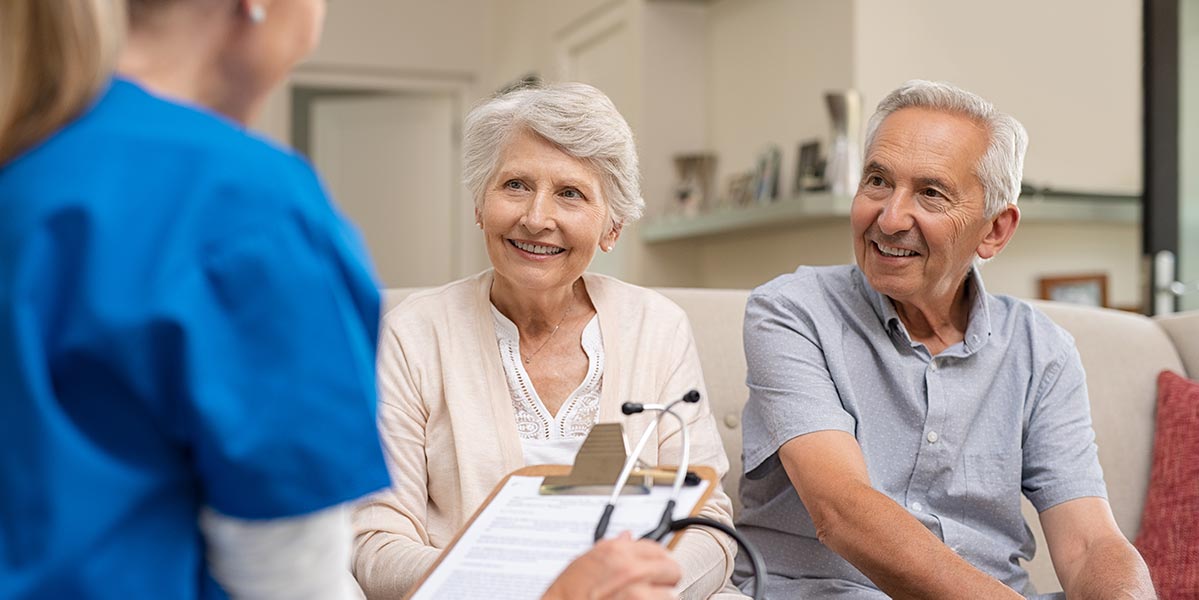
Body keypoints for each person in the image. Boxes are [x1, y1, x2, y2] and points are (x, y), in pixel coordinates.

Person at [0, 1, 683, 598]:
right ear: (257, 4)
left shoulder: (28, 164)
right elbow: (286, 568)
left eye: (570, 194)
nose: (537, 217)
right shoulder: (248, 207)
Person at [732, 80, 1156, 599]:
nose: (889, 218)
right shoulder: (792, 311)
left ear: (994, 231)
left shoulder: (1041, 350)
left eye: (930, 193)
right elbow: (842, 509)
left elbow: (1089, 543)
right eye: (878, 181)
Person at [352, 82, 737, 599]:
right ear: (479, 205)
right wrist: (525, 590)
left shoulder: (656, 326)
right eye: (514, 184)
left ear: (612, 226)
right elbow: (377, 540)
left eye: (570, 193)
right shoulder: (414, 333)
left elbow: (707, 521)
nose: (536, 218)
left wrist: (648, 591)